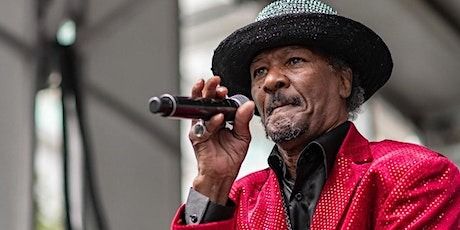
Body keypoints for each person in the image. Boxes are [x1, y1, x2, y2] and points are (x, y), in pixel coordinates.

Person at [171, 0, 460, 229]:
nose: (271, 81)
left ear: (344, 80)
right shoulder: (235, 200)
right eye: (260, 71)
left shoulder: (411, 173)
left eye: (294, 60)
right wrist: (212, 180)